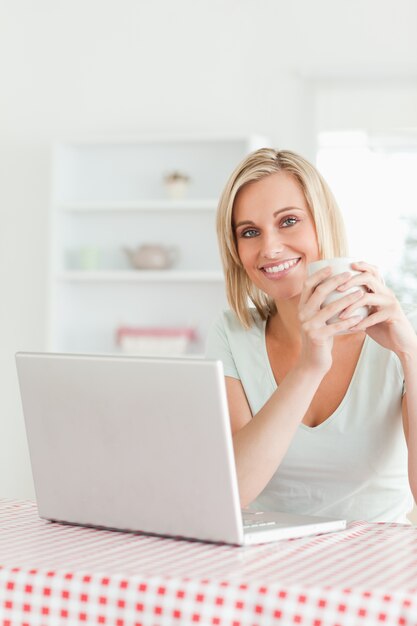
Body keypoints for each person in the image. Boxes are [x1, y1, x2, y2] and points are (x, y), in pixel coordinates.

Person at [206, 148, 417, 523]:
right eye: (250, 232)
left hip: (379, 561)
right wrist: (310, 366)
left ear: (323, 223)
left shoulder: (402, 332)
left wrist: (409, 353)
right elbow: (231, 491)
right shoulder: (233, 333)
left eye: (288, 221)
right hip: (268, 561)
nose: (269, 248)